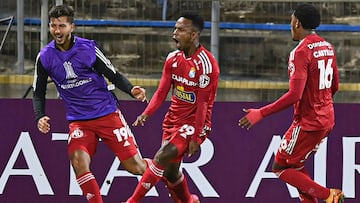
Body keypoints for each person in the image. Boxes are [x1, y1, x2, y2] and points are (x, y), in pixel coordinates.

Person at [32, 5, 148, 203]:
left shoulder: (88, 48)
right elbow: (38, 92)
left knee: (136, 168)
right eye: (53, 26)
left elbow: (114, 75)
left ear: (72, 27)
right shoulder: (44, 57)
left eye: (61, 26)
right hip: (79, 120)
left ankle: (169, 175)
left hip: (107, 114)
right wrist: (40, 116)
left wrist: (131, 90)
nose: (57, 31)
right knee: (78, 162)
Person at [239, 3, 344, 203]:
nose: (290, 25)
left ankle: (329, 195)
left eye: (290, 21)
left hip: (307, 123)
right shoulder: (328, 47)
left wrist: (261, 113)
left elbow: (294, 95)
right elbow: (334, 86)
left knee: (280, 167)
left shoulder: (300, 52)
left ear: (296, 23)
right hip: (327, 119)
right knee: (295, 166)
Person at [123, 12, 220, 203]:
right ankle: (189, 200)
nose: (174, 33)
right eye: (175, 29)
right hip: (173, 120)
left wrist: (197, 136)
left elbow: (202, 104)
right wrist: (147, 113)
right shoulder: (172, 59)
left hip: (194, 123)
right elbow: (161, 91)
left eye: (180, 30)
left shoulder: (207, 65)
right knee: (171, 173)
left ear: (194, 35)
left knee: (160, 158)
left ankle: (132, 201)